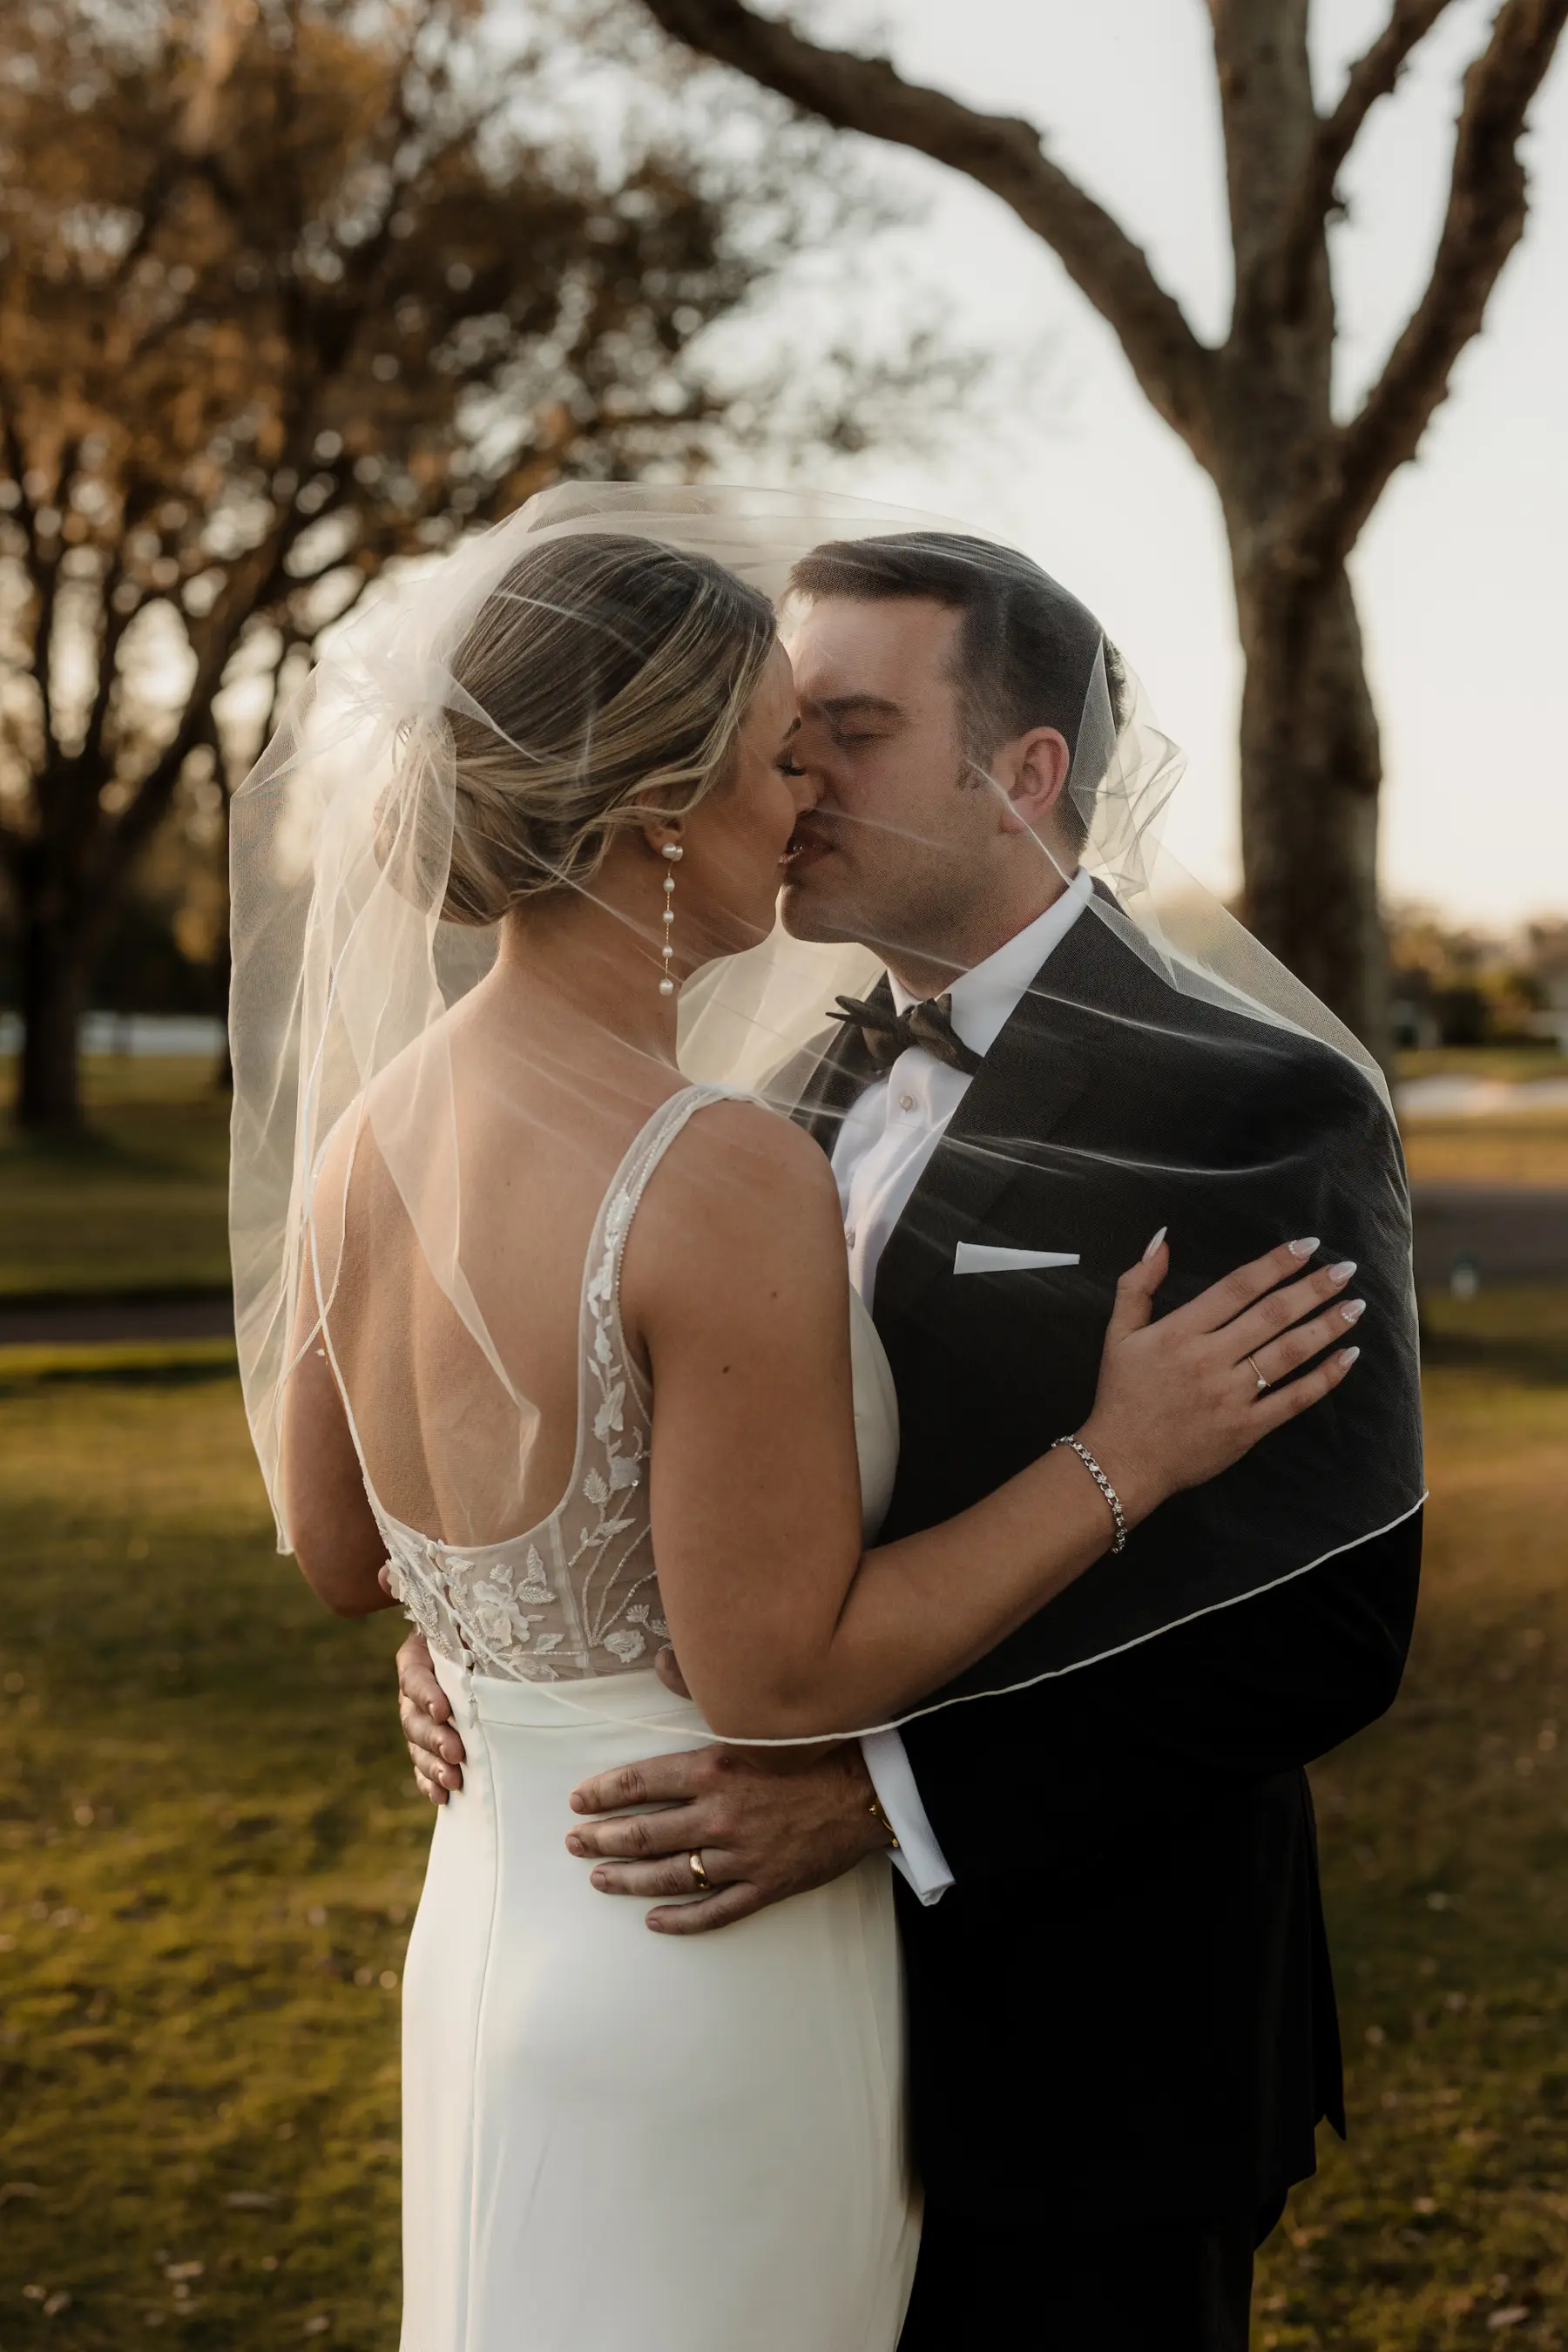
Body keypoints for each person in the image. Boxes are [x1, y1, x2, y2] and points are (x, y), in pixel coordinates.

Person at [234, 510, 1375, 2352]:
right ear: (658, 805)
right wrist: (1124, 1453)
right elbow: (768, 1670)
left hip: (546, 1940)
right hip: (700, 1967)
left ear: (1027, 772)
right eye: (783, 749)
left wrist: (506, 1639)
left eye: (845, 736)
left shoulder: (373, 1125)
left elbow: (337, 1549)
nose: (805, 792)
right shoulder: (730, 1146)